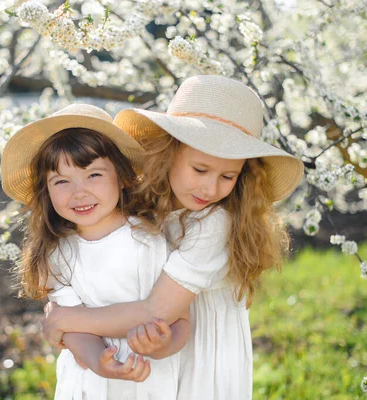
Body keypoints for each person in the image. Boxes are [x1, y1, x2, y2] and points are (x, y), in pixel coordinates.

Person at [41, 76, 305, 399]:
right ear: (170, 153)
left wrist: (66, 319)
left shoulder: (216, 223)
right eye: (200, 169)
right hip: (151, 342)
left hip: (202, 347)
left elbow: (158, 310)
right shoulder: (147, 203)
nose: (210, 188)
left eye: (227, 176)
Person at [0, 104, 189, 399]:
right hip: (89, 379)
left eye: (94, 175)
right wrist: (99, 364)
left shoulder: (147, 239)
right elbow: (71, 325)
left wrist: (164, 344)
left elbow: (180, 318)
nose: (79, 192)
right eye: (62, 181)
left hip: (148, 373)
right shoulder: (57, 253)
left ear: (122, 176)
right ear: (46, 191)